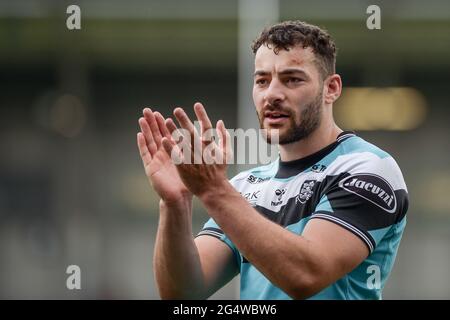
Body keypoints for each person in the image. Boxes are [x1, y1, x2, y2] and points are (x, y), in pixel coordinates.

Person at [137, 20, 408, 300]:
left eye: (292, 79)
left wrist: (213, 190)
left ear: (331, 88)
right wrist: (175, 203)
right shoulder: (243, 188)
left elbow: (306, 275)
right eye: (262, 81)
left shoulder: (367, 168)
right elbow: (182, 293)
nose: (272, 95)